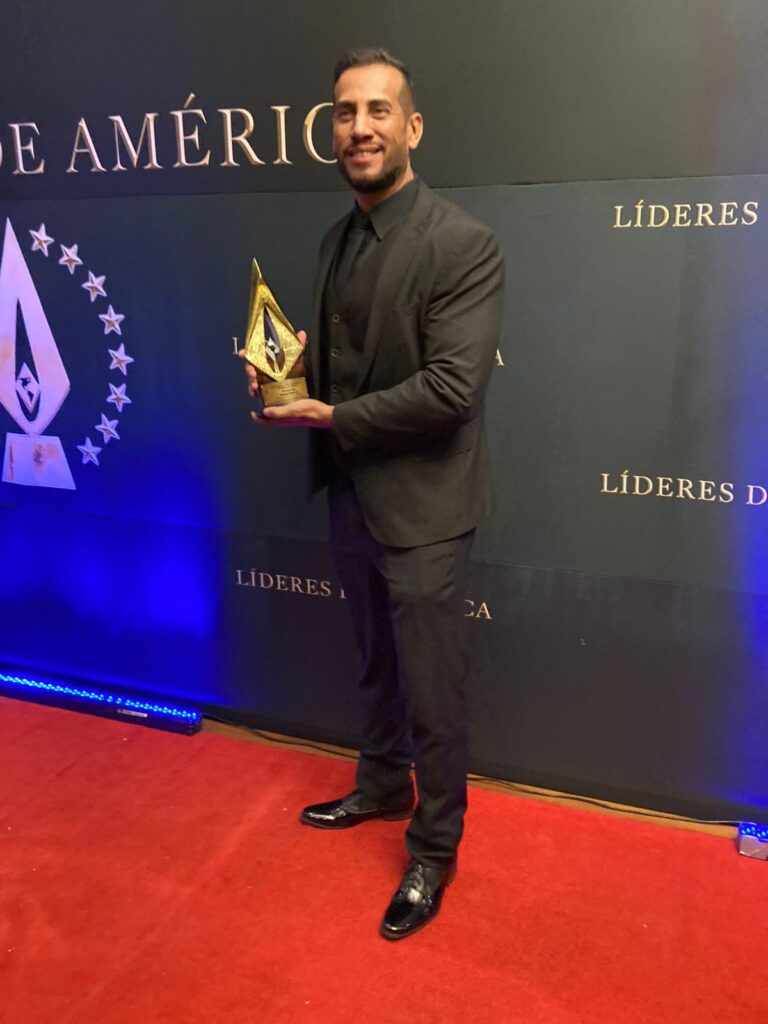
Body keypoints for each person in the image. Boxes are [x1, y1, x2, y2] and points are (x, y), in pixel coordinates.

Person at [243, 48, 504, 940]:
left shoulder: (462, 244)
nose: (360, 128)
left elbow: (451, 389)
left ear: (412, 128)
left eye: (378, 111)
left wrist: (331, 414)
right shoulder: (336, 239)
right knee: (375, 666)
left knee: (434, 691)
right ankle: (384, 786)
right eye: (346, 112)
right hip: (349, 495)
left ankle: (434, 849)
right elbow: (346, 368)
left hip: (426, 513)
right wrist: (283, 377)